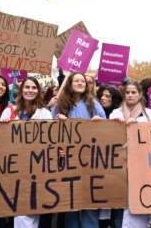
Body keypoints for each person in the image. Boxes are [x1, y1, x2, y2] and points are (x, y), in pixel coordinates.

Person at [52, 72, 105, 228]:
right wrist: (58, 149)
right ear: (70, 84)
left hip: (90, 160)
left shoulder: (94, 105)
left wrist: (99, 122)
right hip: (68, 161)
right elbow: (51, 134)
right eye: (77, 81)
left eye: (83, 81)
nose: (81, 83)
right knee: (71, 203)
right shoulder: (59, 106)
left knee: (90, 204)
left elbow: (107, 131)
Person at [0, 76, 50, 228]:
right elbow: (1, 138)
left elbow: (50, 140)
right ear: (21, 90)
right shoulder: (10, 111)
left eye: (34, 88)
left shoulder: (45, 113)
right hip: (14, 167)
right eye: (27, 87)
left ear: (38, 91)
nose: (30, 90)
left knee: (30, 209)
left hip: (36, 167)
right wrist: (4, 124)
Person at [110, 81, 151, 227]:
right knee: (120, 203)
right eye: (128, 92)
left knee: (139, 201)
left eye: (134, 92)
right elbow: (107, 137)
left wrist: (136, 125)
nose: (130, 95)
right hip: (120, 163)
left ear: (140, 95)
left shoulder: (149, 114)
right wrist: (115, 125)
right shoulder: (115, 114)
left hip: (141, 164)